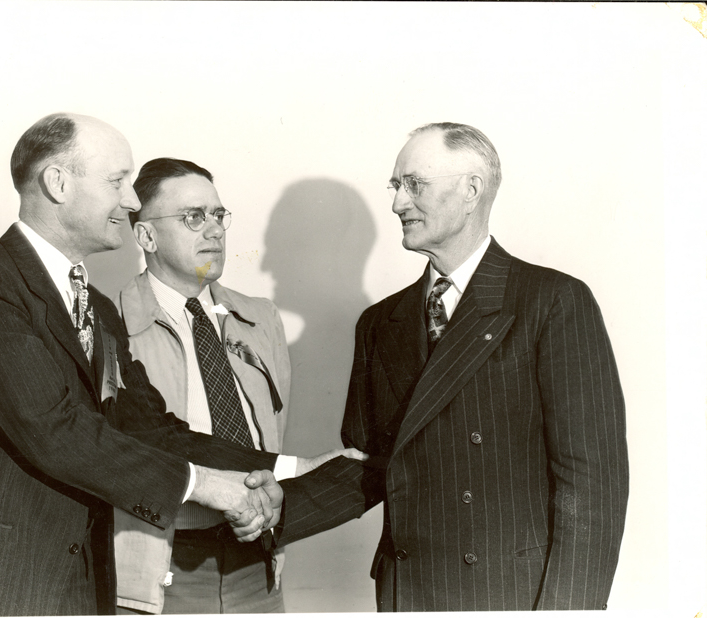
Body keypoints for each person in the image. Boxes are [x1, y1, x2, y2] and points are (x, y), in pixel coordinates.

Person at [0, 113, 285, 617]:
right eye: (117, 181)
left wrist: (283, 470)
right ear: (58, 183)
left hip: (82, 586)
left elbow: (151, 429)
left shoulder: (98, 309)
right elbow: (54, 429)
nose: (131, 200)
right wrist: (212, 487)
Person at [251, 122, 630, 611]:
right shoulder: (379, 323)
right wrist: (282, 508)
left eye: (414, 184)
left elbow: (592, 486)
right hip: (409, 592)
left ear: (471, 190)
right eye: (395, 186)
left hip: (512, 594)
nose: (397, 204)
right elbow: (369, 465)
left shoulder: (551, 301)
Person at [112, 158, 363, 614]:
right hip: (165, 561)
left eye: (218, 215)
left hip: (257, 559)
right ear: (146, 236)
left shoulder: (260, 319)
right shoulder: (112, 328)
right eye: (193, 217)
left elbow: (272, 427)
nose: (214, 230)